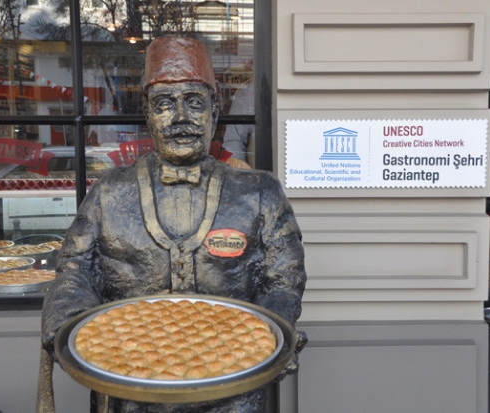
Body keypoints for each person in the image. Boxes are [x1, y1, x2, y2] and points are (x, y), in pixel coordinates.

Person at [39, 36, 306, 413]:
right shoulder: (109, 193)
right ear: (147, 113)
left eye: (194, 102)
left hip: (233, 390)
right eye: (165, 104)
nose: (181, 118)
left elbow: (284, 278)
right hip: (128, 387)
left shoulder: (259, 193)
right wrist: (68, 326)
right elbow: (74, 271)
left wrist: (275, 331)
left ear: (215, 111)